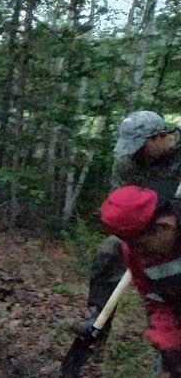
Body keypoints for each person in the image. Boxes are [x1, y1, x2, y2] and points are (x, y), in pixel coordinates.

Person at [98, 185, 181, 378]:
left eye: (142, 245)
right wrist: (169, 346)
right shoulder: (134, 251)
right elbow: (155, 300)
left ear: (165, 226)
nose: (138, 255)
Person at [77, 111, 181, 332]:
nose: (136, 155)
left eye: (141, 147)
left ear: (160, 136)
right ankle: (98, 318)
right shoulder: (127, 163)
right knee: (109, 251)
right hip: (147, 225)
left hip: (174, 225)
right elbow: (122, 202)